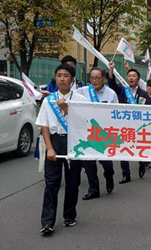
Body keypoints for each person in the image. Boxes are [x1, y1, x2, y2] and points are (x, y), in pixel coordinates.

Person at [36, 64, 86, 235]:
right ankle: (47, 222)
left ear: (72, 79)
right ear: (55, 78)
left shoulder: (81, 100)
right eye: (59, 75)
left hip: (74, 141)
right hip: (54, 141)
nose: (62, 79)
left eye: (66, 76)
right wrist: (49, 148)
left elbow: (83, 125)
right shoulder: (48, 101)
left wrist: (65, 108)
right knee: (51, 183)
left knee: (73, 182)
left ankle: (69, 216)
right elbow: (44, 125)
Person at [76, 67, 119, 200]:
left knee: (105, 161)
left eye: (97, 78)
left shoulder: (110, 94)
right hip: (86, 133)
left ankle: (109, 175)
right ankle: (93, 189)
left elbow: (116, 113)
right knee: (89, 163)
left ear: (104, 79)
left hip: (103, 134)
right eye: (92, 77)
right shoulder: (81, 92)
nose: (94, 80)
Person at [107, 60, 151, 184]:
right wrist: (111, 69)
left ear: (138, 79)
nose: (131, 78)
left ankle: (142, 164)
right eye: (129, 76)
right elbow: (111, 83)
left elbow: (148, 109)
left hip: (138, 126)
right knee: (123, 149)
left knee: (138, 148)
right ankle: (126, 174)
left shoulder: (144, 94)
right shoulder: (122, 89)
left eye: (134, 76)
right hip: (123, 125)